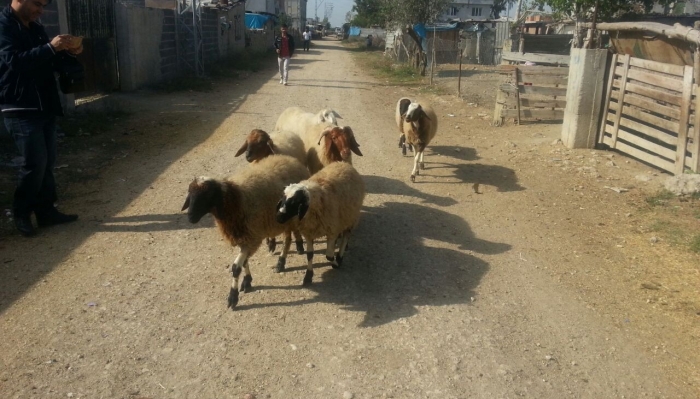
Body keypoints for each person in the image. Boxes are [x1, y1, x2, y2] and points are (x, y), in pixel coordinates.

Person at [0, 0, 82, 236]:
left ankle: (46, 212)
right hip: (19, 105)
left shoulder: (35, 27)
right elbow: (14, 62)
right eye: (37, 3)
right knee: (34, 164)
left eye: (44, 5)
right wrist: (49, 48)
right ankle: (21, 213)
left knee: (46, 163)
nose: (41, 10)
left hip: (44, 104)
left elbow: (49, 61)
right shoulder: (4, 25)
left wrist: (68, 52)